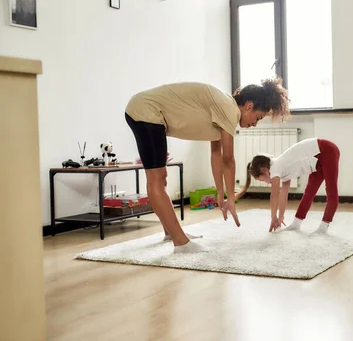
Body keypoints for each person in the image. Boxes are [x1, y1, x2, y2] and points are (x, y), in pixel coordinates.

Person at [125, 77, 289, 253]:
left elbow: (215, 153)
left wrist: (221, 192)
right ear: (249, 106)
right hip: (146, 112)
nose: (255, 124)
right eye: (257, 118)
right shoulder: (229, 109)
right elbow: (228, 159)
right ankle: (181, 243)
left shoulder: (224, 109)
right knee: (157, 179)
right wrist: (231, 198)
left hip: (146, 111)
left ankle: (171, 233)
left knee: (159, 180)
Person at [236, 138, 340, 233]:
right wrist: (280, 217)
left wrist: (273, 218)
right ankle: (296, 223)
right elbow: (283, 195)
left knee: (331, 190)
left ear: (264, 170)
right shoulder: (281, 169)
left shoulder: (275, 169)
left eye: (263, 180)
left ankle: (324, 225)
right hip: (316, 162)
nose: (267, 182)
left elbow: (274, 196)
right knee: (309, 193)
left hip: (326, 150)